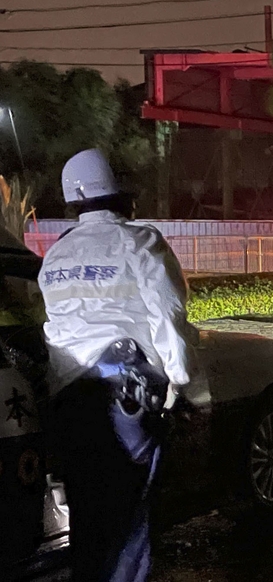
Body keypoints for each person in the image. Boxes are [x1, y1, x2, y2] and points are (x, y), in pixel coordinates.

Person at [38, 149, 192, 582]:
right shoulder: (141, 242)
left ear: (75, 200)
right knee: (129, 521)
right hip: (127, 394)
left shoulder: (56, 255)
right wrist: (180, 385)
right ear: (123, 197)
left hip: (71, 398)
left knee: (88, 518)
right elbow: (169, 317)